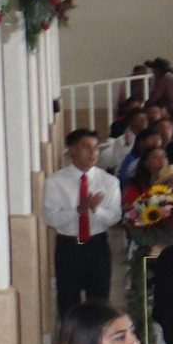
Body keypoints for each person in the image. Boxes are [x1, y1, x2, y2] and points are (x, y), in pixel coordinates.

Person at [43, 129, 124, 317]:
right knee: (68, 300)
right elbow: (50, 217)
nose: (93, 152)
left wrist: (95, 210)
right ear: (72, 150)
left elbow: (114, 216)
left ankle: (97, 343)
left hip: (97, 245)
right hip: (69, 245)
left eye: (95, 147)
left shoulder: (109, 181)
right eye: (86, 147)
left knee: (99, 301)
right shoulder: (55, 182)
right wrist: (79, 210)